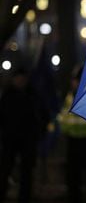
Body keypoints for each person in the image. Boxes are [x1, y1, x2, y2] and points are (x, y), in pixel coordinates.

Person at [0, 68, 48, 203]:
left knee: (26, 172)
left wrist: (40, 132)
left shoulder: (32, 95)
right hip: (10, 139)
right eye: (18, 78)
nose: (20, 81)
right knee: (5, 169)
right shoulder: (8, 95)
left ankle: (24, 198)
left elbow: (43, 115)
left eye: (23, 78)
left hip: (28, 140)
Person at [57, 66, 86, 203]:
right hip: (74, 141)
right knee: (74, 178)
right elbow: (64, 118)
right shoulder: (70, 97)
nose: (73, 83)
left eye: (76, 80)